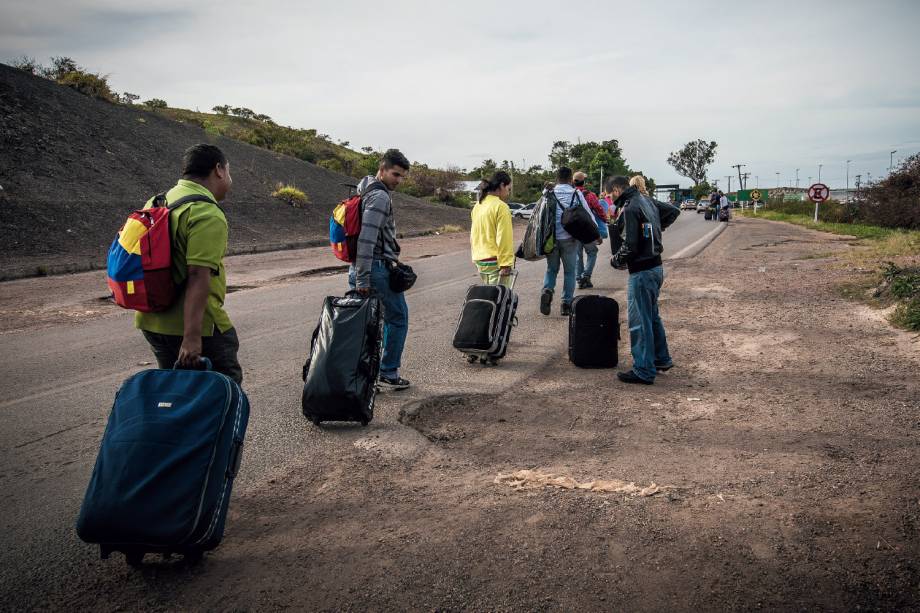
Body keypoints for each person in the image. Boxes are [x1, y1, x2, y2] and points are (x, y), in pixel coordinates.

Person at [136, 144, 242, 384]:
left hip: (152, 321)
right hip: (196, 328)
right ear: (218, 170)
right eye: (229, 171)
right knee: (224, 391)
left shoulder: (157, 202)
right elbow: (197, 275)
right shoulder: (205, 212)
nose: (229, 178)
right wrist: (192, 337)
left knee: (175, 394)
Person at [349, 148, 412, 390]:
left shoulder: (364, 189)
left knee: (367, 324)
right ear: (382, 169)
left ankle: (364, 375)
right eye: (395, 174)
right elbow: (366, 238)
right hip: (373, 269)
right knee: (398, 319)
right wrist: (363, 280)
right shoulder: (380, 197)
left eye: (402, 176)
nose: (398, 180)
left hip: (360, 268)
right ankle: (387, 372)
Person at [609, 175, 680, 385]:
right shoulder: (646, 200)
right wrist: (655, 230)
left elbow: (630, 245)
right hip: (655, 268)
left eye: (607, 193)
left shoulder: (631, 207)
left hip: (641, 272)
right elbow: (673, 211)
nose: (607, 197)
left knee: (640, 321)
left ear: (616, 190)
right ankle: (661, 359)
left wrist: (616, 260)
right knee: (651, 316)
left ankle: (643, 369)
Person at [541, 167, 597, 316]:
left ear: (557, 178)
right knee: (570, 272)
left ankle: (547, 289)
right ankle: (566, 304)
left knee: (551, 269)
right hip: (570, 239)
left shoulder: (548, 192)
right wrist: (596, 233)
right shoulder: (576, 193)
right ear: (570, 179)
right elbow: (588, 214)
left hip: (551, 239)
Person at [470, 171, 515, 287]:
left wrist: (475, 257)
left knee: (488, 299)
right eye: (508, 189)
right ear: (501, 185)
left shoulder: (478, 205)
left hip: (480, 260)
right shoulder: (501, 207)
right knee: (500, 300)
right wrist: (506, 264)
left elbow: (474, 234)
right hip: (496, 262)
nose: (508, 193)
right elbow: (504, 237)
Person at [573, 171, 606, 289]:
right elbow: (599, 209)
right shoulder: (590, 195)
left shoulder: (570, 194)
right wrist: (605, 220)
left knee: (578, 255)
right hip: (587, 229)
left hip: (573, 230)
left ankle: (580, 279)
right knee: (592, 252)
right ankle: (585, 276)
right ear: (584, 182)